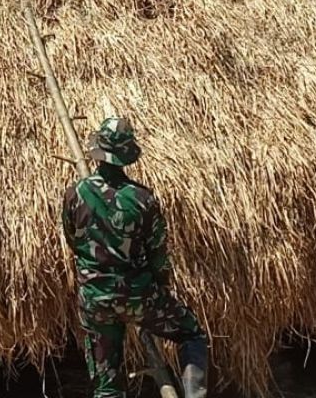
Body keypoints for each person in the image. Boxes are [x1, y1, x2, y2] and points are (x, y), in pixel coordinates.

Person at [62, 117, 209, 398]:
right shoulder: (143, 199)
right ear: (126, 156)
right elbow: (158, 255)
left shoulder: (75, 194)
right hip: (139, 297)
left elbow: (73, 240)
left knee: (107, 386)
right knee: (191, 333)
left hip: (96, 300)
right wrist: (159, 287)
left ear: (98, 153)